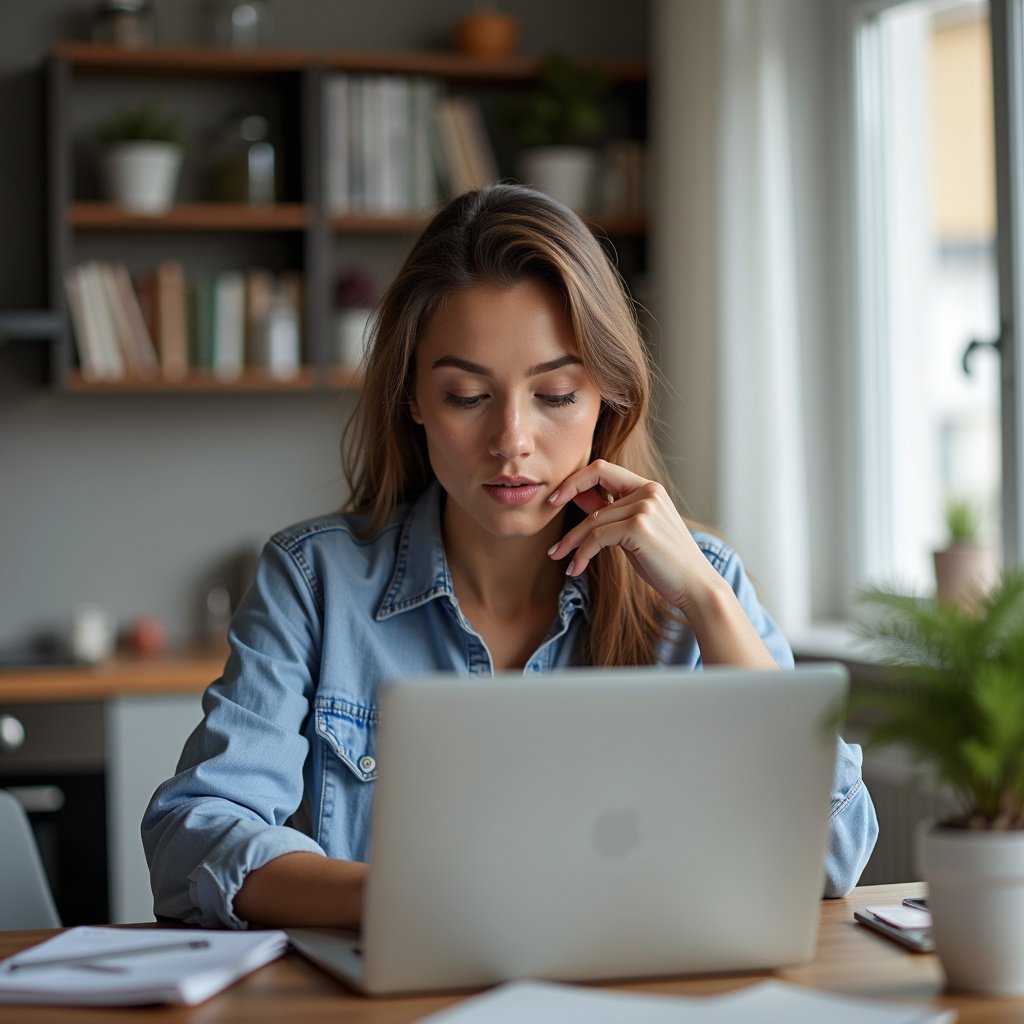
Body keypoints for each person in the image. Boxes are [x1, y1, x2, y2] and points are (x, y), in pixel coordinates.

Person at [143, 184, 877, 929]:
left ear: (608, 400)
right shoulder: (313, 582)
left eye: (555, 394)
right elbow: (191, 836)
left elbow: (834, 854)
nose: (512, 441)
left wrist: (710, 605)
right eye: (466, 396)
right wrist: (395, 900)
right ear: (414, 400)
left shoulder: (700, 583)